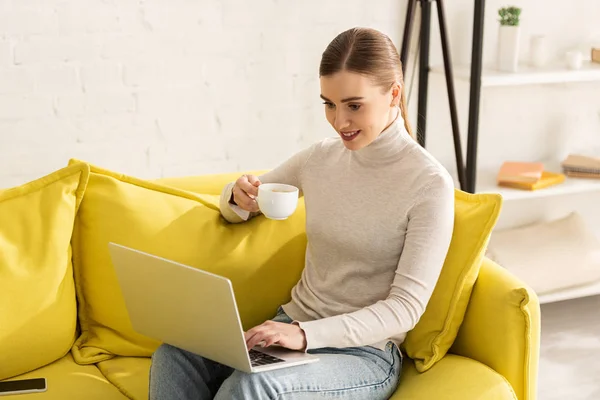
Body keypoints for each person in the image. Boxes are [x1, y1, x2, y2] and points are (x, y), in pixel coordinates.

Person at [149, 26, 455, 400]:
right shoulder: (321, 158)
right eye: (329, 104)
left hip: (364, 354)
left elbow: (405, 309)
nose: (339, 121)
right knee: (176, 355)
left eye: (354, 105)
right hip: (290, 328)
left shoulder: (429, 184)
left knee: (253, 385)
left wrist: (307, 334)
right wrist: (237, 196)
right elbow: (240, 206)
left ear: (394, 93)